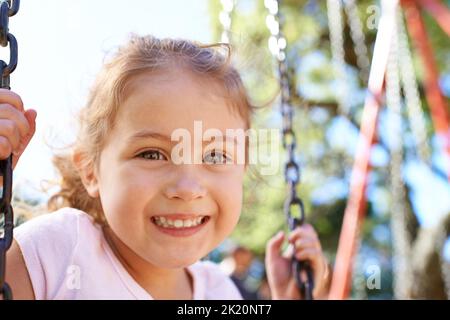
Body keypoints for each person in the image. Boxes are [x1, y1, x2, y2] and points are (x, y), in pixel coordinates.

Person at [2, 34, 330, 300]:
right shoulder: (57, 253)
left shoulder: (221, 291)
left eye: (215, 156)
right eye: (152, 154)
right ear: (91, 171)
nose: (187, 188)